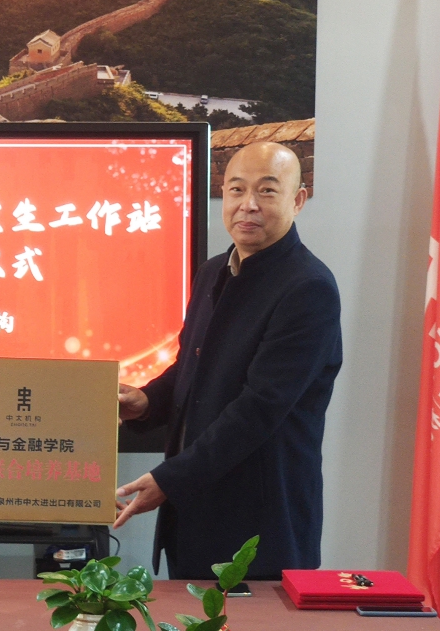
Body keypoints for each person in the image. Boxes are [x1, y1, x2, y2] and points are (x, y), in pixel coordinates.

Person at [114, 142, 343, 579]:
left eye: (267, 191)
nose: (248, 205)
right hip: (193, 514)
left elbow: (259, 409)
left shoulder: (308, 288)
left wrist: (169, 479)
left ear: (298, 200)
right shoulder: (213, 271)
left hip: (259, 524)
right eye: (237, 189)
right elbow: (191, 365)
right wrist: (147, 401)